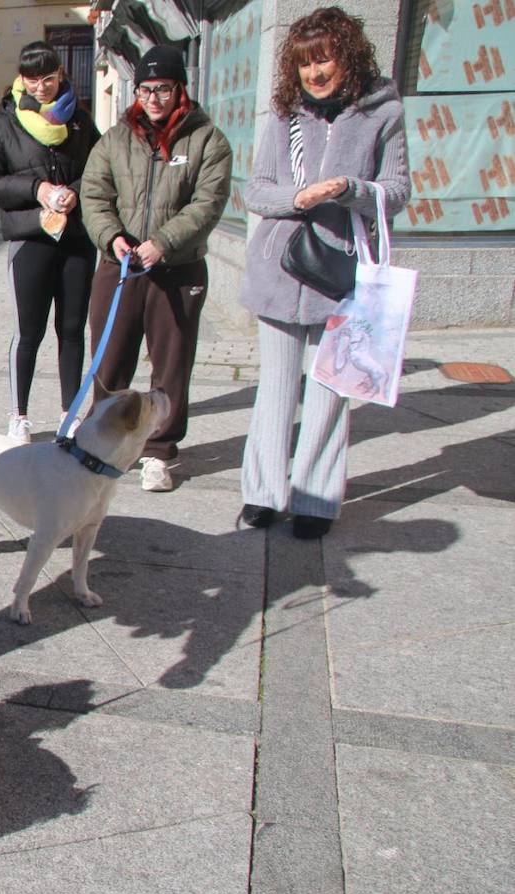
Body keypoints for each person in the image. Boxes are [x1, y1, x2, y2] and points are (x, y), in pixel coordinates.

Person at [238, 7, 409, 539]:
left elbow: (398, 190)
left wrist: (348, 190)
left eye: (325, 59)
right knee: (276, 389)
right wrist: (298, 197)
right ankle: (263, 494)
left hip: (341, 274)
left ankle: (315, 500)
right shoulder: (285, 115)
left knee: (332, 392)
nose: (315, 73)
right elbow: (256, 189)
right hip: (280, 269)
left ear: (348, 56)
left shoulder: (383, 111)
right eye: (305, 63)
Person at [80, 44, 232, 491]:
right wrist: (113, 237)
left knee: (170, 366)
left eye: (162, 89)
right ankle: (102, 439)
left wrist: (163, 243)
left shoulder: (207, 139)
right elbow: (94, 194)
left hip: (177, 269)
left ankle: (159, 452)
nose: (153, 99)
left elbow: (209, 201)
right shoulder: (116, 138)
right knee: (110, 360)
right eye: (145, 89)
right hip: (120, 266)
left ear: (179, 88)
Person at [0, 41, 100, 443]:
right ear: (22, 80)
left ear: (60, 74)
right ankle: (19, 415)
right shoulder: (4, 123)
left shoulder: (80, 121)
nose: (41, 87)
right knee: (28, 331)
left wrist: (76, 190)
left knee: (72, 329)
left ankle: (70, 413)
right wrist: (38, 188)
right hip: (30, 236)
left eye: (48, 78)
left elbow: (101, 169)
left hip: (77, 238)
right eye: (33, 80)